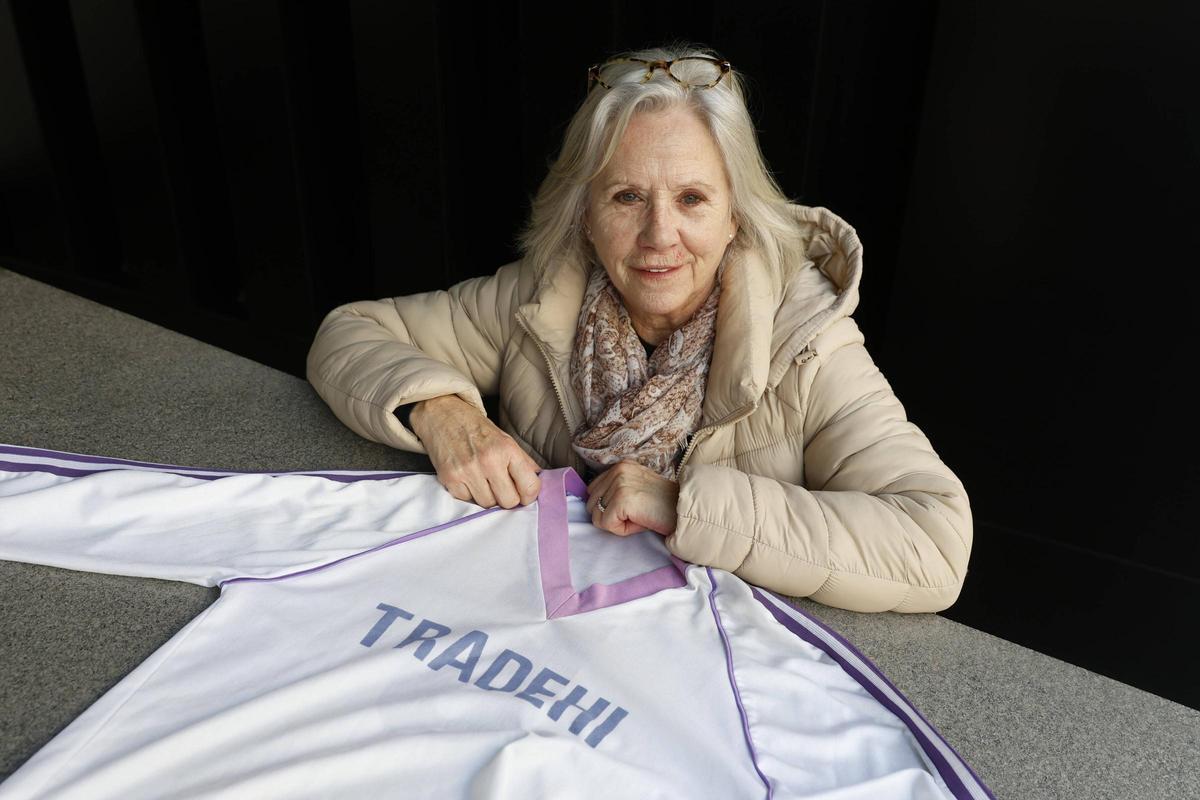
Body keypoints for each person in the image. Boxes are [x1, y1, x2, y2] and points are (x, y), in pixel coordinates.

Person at [306, 43, 972, 613]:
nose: (660, 236)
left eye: (691, 199)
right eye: (627, 197)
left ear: (734, 215)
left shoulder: (807, 344)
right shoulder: (540, 298)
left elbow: (933, 545)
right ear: (585, 214)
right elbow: (349, 332)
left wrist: (683, 505)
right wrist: (441, 410)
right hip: (550, 635)